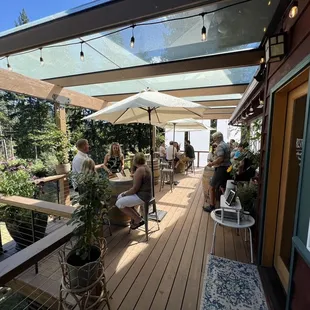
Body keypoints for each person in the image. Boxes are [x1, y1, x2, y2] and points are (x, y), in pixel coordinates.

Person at [116, 153, 152, 230]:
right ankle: (137, 217)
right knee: (120, 197)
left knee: (119, 203)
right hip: (147, 194)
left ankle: (138, 220)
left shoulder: (139, 170)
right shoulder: (146, 167)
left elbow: (134, 189)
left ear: (135, 161)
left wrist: (124, 194)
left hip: (142, 196)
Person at [203, 132, 231, 213]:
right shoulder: (226, 145)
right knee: (223, 186)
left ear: (218, 138)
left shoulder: (220, 146)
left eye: (214, 138)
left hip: (221, 169)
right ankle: (227, 204)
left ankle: (212, 206)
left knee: (212, 186)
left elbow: (220, 159)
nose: (214, 140)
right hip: (227, 168)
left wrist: (211, 163)